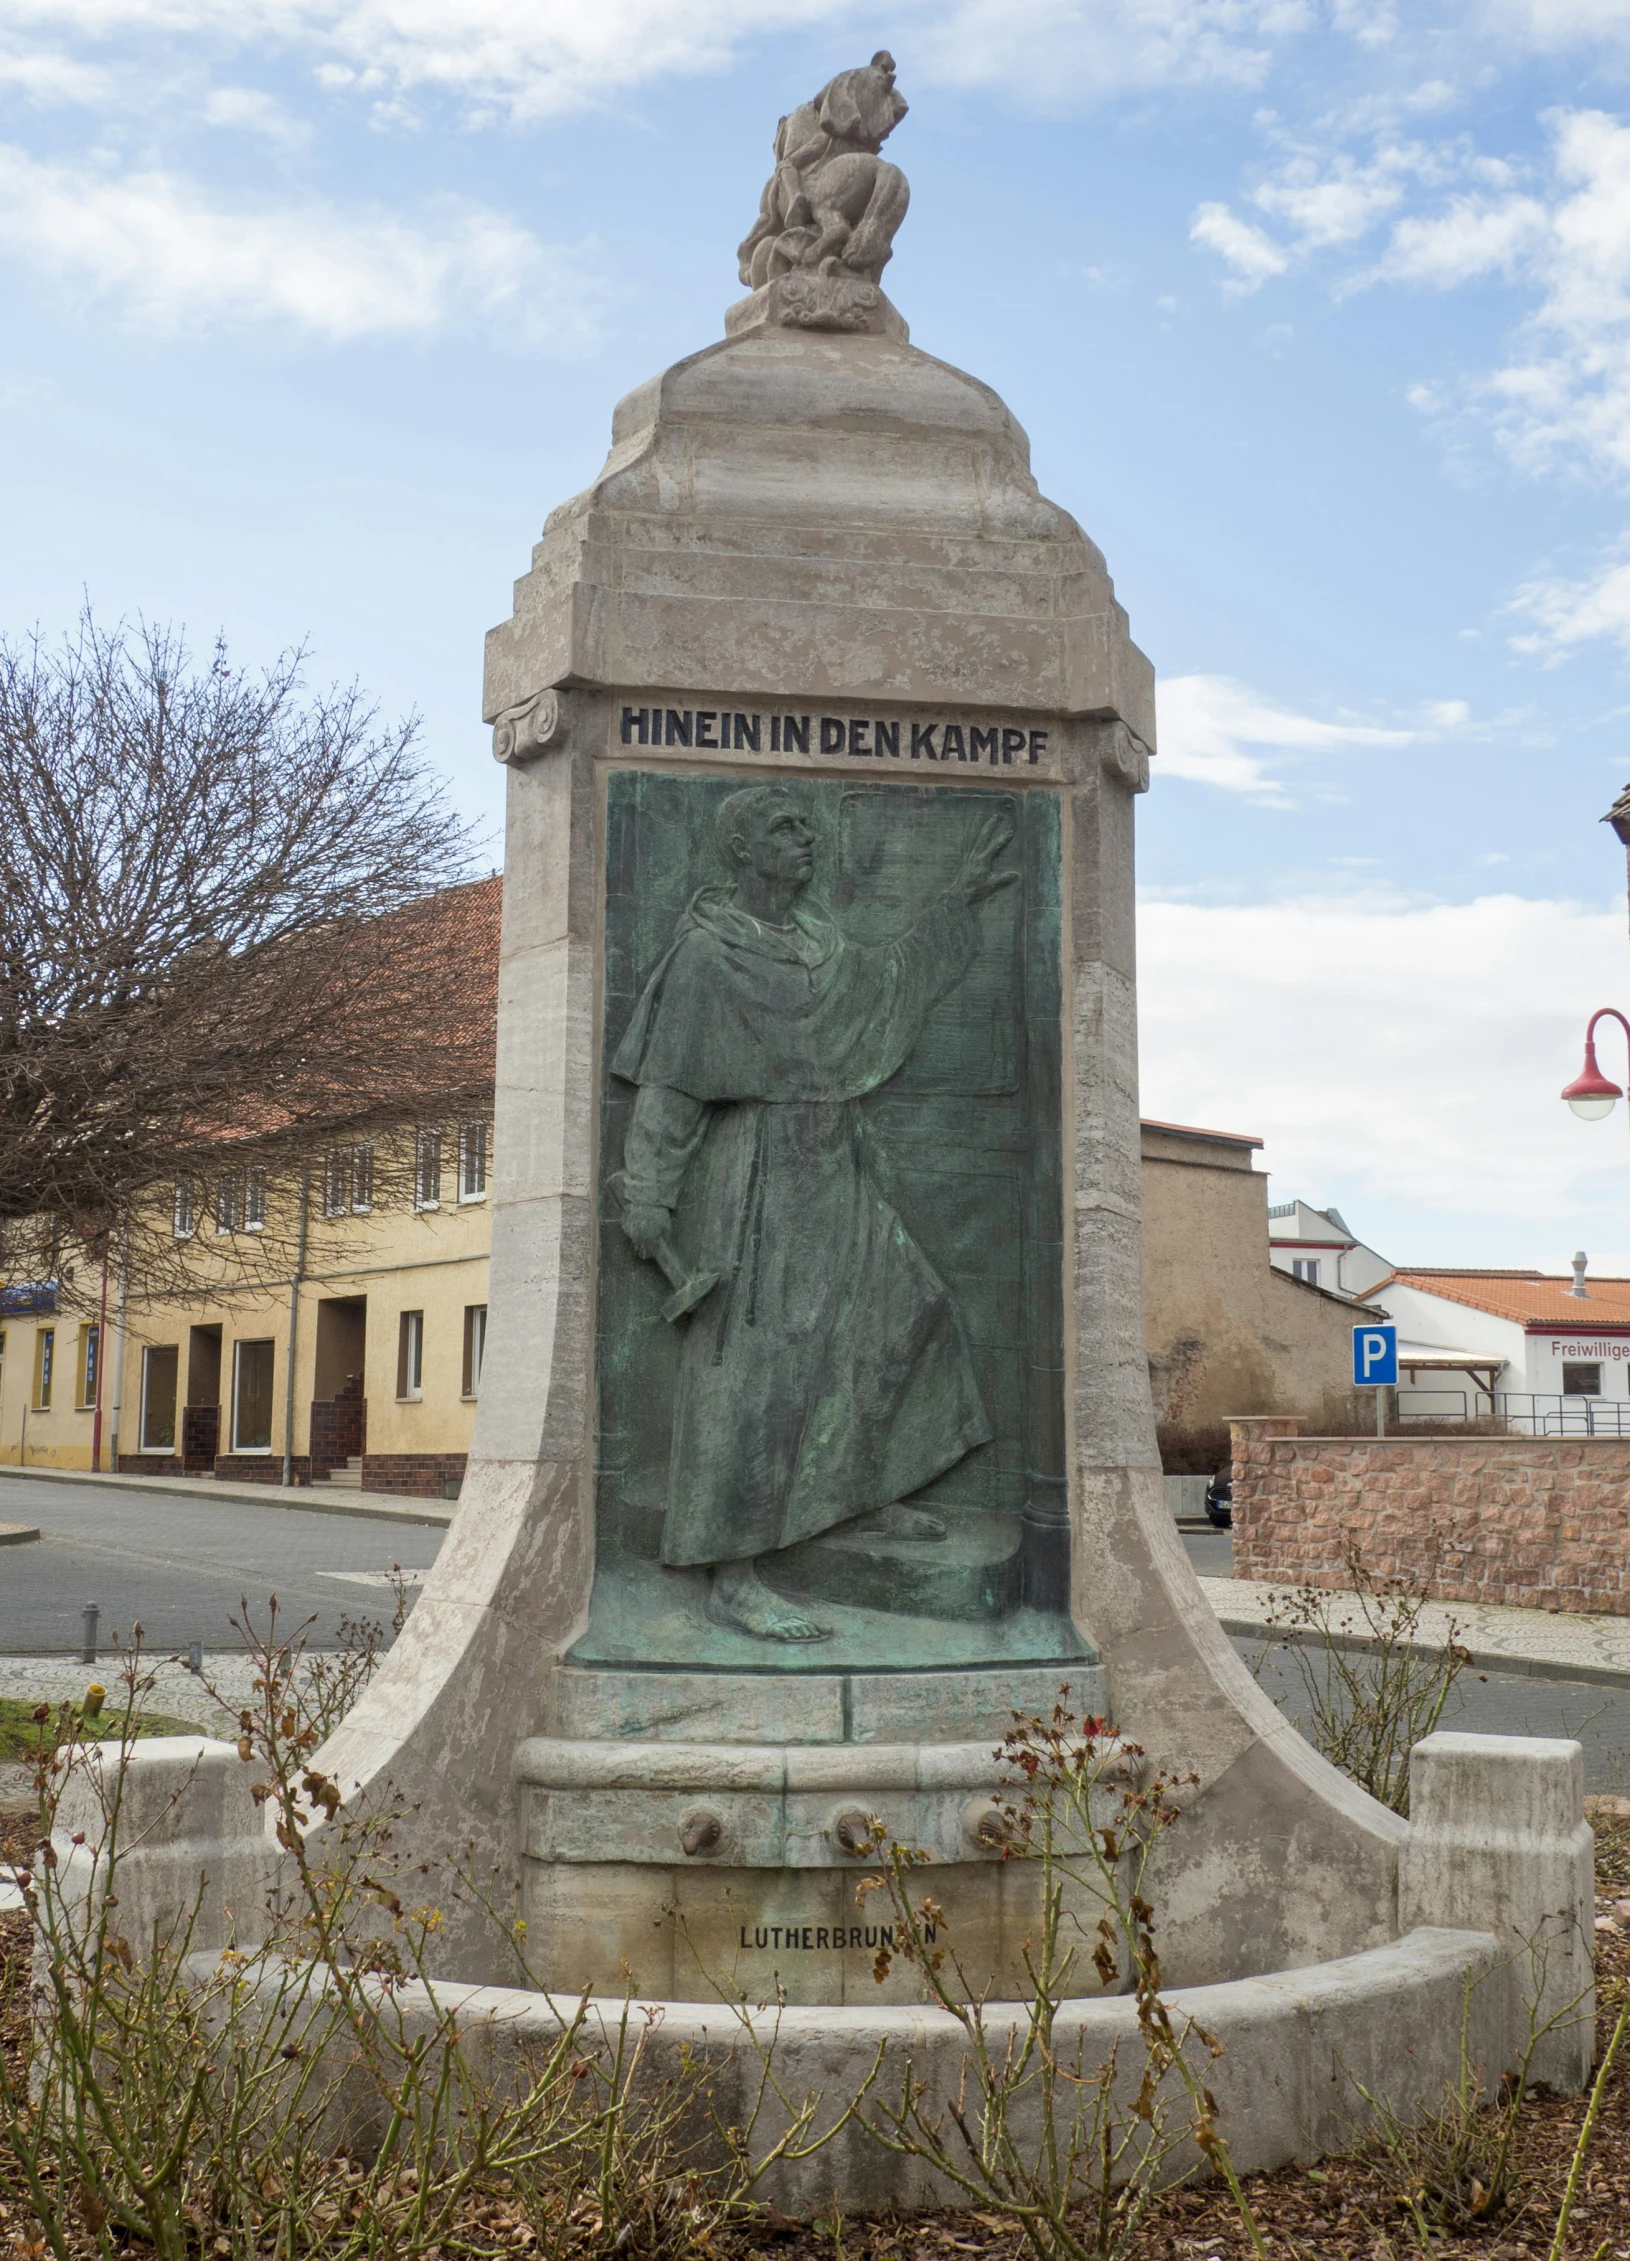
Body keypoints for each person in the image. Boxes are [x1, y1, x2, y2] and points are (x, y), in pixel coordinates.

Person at [612, 785, 1015, 1641]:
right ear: (744, 849)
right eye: (784, 829)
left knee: (904, 1314)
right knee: (754, 1370)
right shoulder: (706, 957)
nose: (805, 842)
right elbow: (670, 1085)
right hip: (756, 1172)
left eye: (806, 827)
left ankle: (854, 1494)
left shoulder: (821, 945)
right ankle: (733, 1571)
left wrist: (957, 901)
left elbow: (894, 979)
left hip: (836, 1158)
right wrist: (648, 1195)